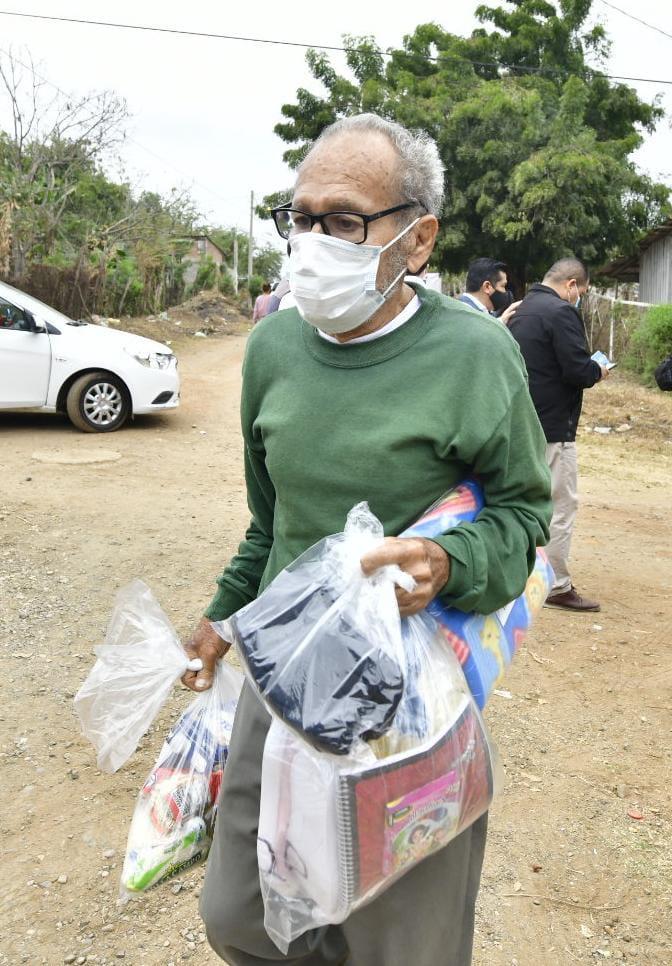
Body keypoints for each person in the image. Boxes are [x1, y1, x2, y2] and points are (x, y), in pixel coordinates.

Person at [184, 113, 552, 966]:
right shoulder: (273, 347)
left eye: (343, 221)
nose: (311, 243)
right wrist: (220, 619)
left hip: (406, 701)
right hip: (280, 672)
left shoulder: (475, 354)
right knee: (242, 915)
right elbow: (271, 521)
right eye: (300, 217)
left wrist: (447, 562)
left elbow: (525, 517)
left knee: (399, 944)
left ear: (417, 239)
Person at [509, 257, 608, 613]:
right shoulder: (562, 312)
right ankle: (555, 585)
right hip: (553, 426)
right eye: (582, 291)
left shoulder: (521, 309)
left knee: (522, 502)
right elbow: (577, 370)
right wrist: (597, 370)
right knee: (561, 505)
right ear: (571, 285)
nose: (579, 298)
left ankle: (516, 574)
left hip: (521, 422)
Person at [458, 257, 520, 325]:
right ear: (487, 287)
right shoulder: (463, 314)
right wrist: (499, 323)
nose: (505, 291)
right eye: (503, 286)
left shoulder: (483, 312)